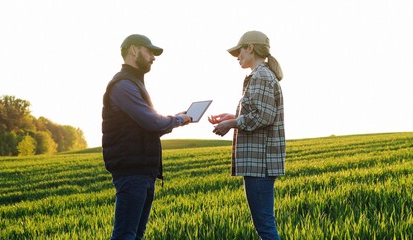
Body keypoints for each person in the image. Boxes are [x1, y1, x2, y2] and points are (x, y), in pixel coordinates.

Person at [102, 34, 191, 240]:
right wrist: (177, 120)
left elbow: (150, 125)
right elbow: (151, 122)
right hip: (132, 172)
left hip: (143, 171)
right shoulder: (123, 86)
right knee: (126, 235)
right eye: (149, 51)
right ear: (134, 50)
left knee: (135, 235)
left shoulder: (133, 83)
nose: (153, 57)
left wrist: (176, 119)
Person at [208, 30, 285, 240]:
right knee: (265, 225)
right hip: (259, 163)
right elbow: (258, 113)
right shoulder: (260, 75)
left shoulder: (261, 76)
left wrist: (232, 123)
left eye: (239, 52)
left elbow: (264, 116)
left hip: (259, 164)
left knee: (265, 227)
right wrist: (232, 116)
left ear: (250, 48)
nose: (238, 57)